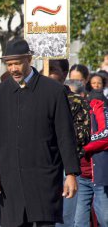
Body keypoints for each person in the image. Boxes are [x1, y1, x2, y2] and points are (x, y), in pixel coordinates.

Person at [0, 39, 80, 227]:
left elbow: (65, 135)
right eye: (9, 64)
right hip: (10, 182)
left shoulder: (53, 91)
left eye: (17, 63)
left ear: (29, 59)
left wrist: (71, 173)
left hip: (45, 179)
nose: (13, 69)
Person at [42, 64, 91, 227]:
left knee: (64, 218)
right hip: (39, 166)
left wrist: (56, 139)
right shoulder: (34, 100)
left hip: (65, 166)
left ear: (63, 78)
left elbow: (83, 136)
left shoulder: (76, 101)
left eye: (54, 80)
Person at [74, 89, 108, 227]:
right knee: (79, 221)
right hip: (81, 176)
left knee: (105, 218)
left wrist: (82, 147)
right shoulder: (68, 112)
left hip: (99, 176)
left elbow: (105, 137)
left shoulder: (100, 111)